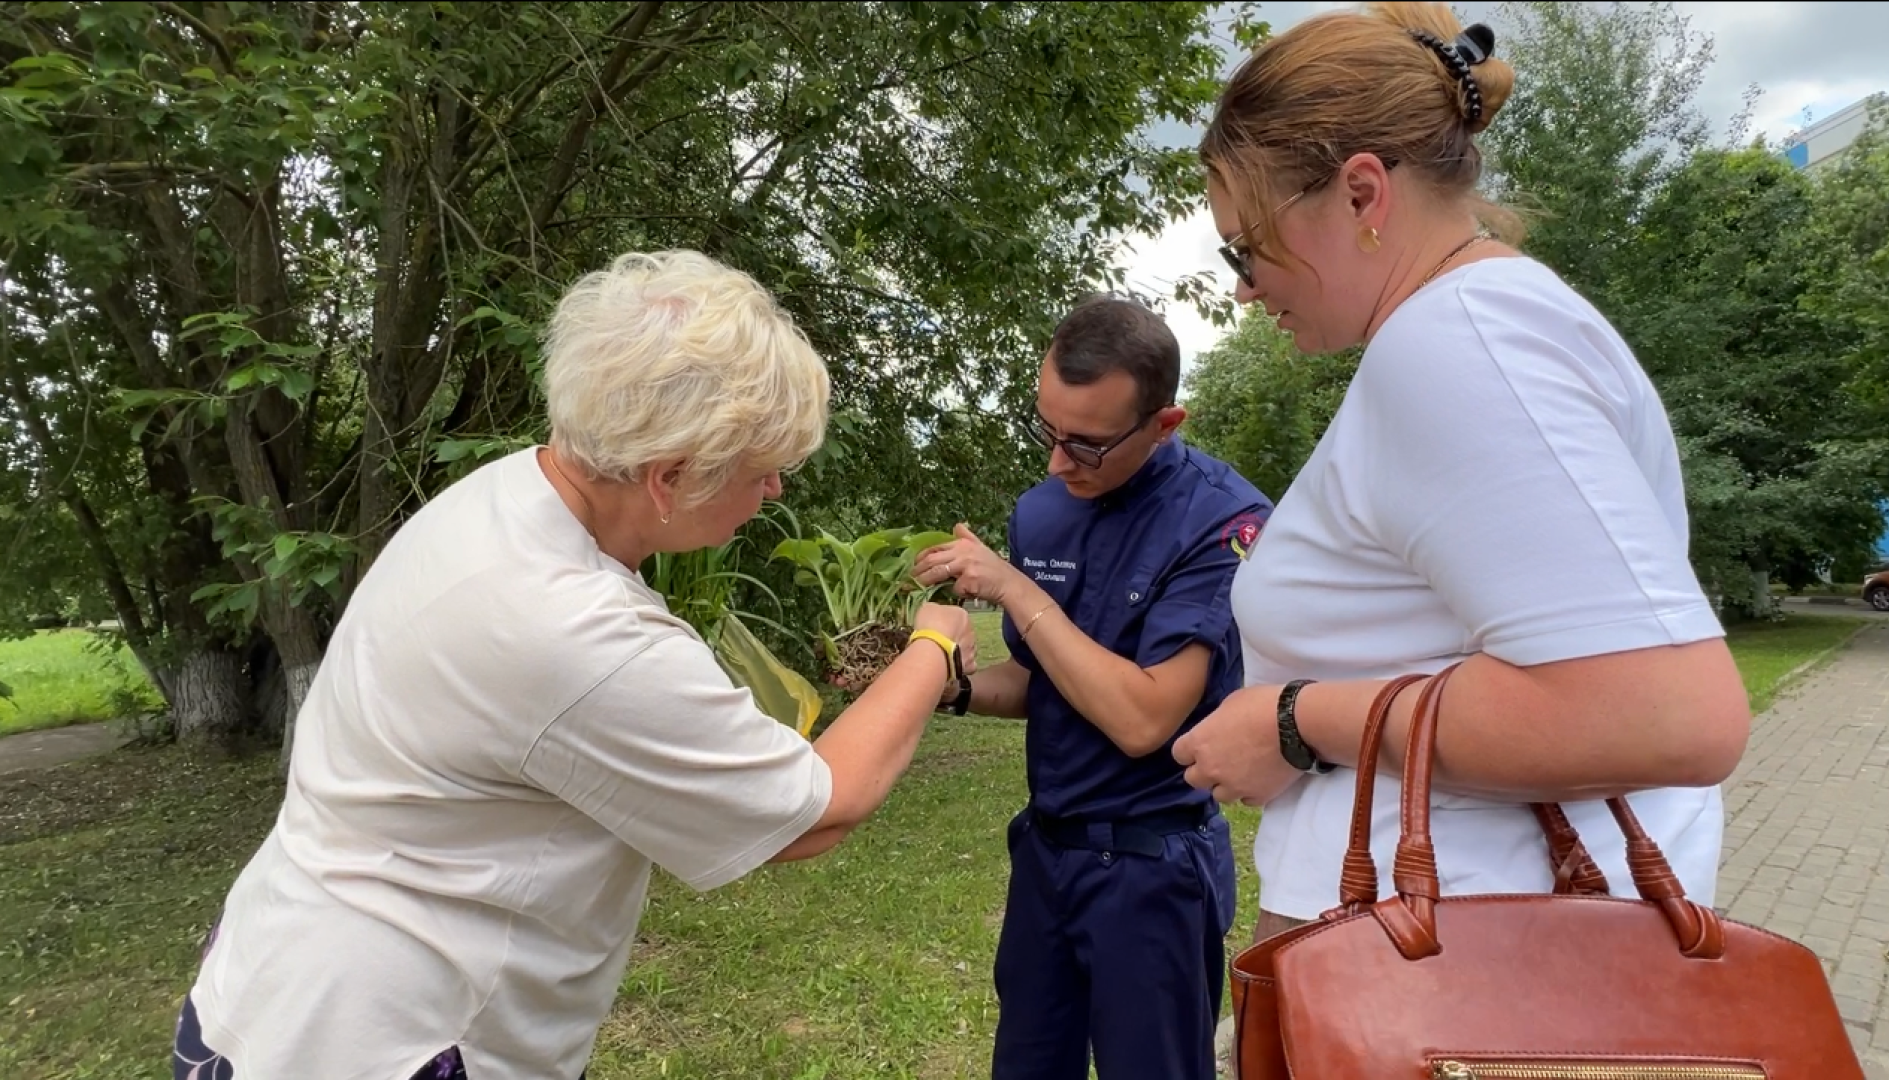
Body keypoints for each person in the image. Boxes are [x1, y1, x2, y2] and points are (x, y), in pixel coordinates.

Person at [170, 249, 978, 1080]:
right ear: (671, 477)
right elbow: (817, 813)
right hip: (404, 1041)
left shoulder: (498, 498)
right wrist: (934, 647)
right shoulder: (574, 630)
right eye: (762, 469)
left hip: (272, 991)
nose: (774, 490)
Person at [1169, 1, 1752, 951]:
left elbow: (1666, 715)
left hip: (1472, 971)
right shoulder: (1483, 329)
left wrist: (1295, 719)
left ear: (1361, 194)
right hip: (1472, 946)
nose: (1243, 284)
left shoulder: (1461, 344)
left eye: (1245, 246)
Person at [912, 294, 1273, 1080]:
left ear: (1164, 423)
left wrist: (1016, 592)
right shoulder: (1041, 515)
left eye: (1086, 444)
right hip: (1047, 857)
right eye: (1046, 430)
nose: (1056, 463)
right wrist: (956, 688)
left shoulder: (1223, 525)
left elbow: (1144, 717)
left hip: (1152, 869)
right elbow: (1044, 682)